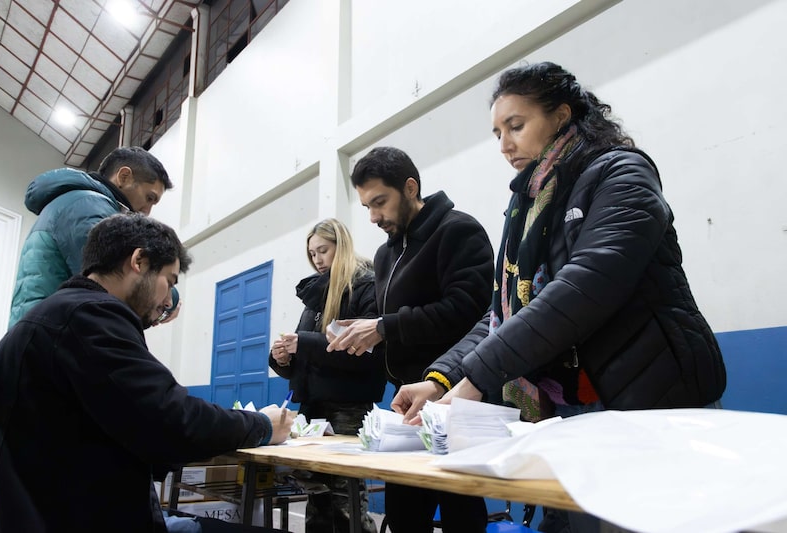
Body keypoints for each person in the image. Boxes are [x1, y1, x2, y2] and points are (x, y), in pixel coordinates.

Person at [391, 62, 727, 532]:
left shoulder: (622, 176)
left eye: (516, 125)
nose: (505, 144)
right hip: (569, 410)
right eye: (497, 133)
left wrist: (476, 380)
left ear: (562, 115)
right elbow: (501, 314)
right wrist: (443, 380)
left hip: (647, 401)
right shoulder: (526, 206)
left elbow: (582, 289)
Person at [0, 212, 296, 533]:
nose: (167, 301)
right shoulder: (90, 315)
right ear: (139, 260)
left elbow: (139, 422)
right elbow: (173, 419)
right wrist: (263, 425)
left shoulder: (57, 314)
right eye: (169, 282)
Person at [325, 147, 494, 533]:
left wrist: (384, 327)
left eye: (380, 202)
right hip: (404, 403)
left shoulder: (457, 230)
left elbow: (468, 310)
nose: (373, 216)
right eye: (367, 206)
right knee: (404, 517)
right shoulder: (386, 254)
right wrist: (365, 330)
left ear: (410, 187)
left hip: (453, 397)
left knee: (460, 515)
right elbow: (401, 320)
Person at [268, 218, 385, 533]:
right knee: (317, 495)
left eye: (323, 250)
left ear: (341, 246)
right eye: (312, 254)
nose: (318, 259)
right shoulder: (316, 294)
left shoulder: (365, 285)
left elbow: (365, 353)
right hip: (313, 408)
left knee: (345, 498)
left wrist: (303, 343)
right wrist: (281, 358)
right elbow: (303, 354)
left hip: (349, 406)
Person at [8, 145, 176, 327]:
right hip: (52, 336)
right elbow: (118, 284)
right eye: (149, 198)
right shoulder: (88, 206)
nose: (147, 211)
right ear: (124, 177)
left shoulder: (77, 201)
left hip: (44, 331)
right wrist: (168, 296)